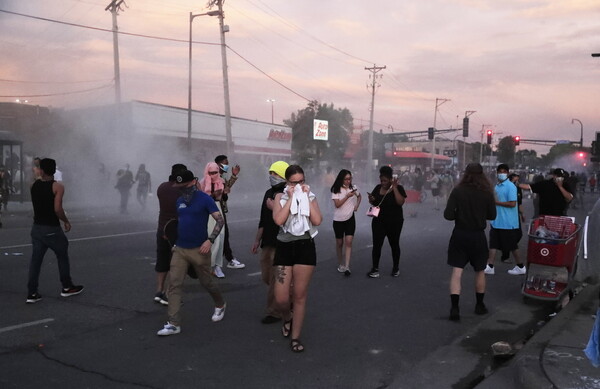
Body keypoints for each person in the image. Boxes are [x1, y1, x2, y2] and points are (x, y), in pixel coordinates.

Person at [156, 170, 226, 336]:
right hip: (180, 249)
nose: (182, 189)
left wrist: (210, 240)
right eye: (179, 186)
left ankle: (220, 304)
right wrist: (172, 239)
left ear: (193, 182)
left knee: (206, 282)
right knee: (174, 284)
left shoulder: (205, 199)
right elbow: (179, 222)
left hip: (199, 250)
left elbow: (220, 220)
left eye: (185, 185)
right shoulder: (179, 201)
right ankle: (174, 323)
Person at [273, 165, 322, 352]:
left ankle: (296, 337)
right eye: (294, 182)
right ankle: (287, 317)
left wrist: (306, 198)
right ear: (287, 183)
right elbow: (278, 220)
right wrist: (292, 197)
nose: (299, 185)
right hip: (284, 247)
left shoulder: (311, 197)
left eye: (301, 181)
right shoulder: (280, 197)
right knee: (281, 299)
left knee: (300, 295)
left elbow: (317, 220)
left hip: (305, 247)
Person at [26, 158, 84, 304]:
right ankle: (67, 286)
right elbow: (57, 209)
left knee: (36, 261)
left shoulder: (33, 185)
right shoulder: (57, 186)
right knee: (62, 254)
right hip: (51, 227)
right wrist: (66, 221)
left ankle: (32, 292)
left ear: (41, 170)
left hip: (37, 227)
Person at [444, 163, 496, 321]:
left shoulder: (458, 191)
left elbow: (448, 215)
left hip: (460, 234)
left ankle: (454, 307)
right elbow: (492, 216)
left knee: (457, 271)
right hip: (478, 236)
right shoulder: (486, 192)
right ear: (482, 175)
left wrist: (459, 213)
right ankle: (479, 305)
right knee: (480, 271)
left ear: (465, 174)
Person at [250, 160, 289, 324]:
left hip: (281, 242)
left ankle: (274, 311)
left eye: (275, 174)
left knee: (275, 278)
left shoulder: (288, 194)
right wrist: (257, 240)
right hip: (267, 242)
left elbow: (290, 218)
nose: (272, 177)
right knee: (267, 276)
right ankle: (286, 294)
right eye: (270, 174)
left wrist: (275, 208)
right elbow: (263, 220)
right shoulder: (268, 193)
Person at [153, 163, 187, 305]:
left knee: (162, 260)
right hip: (175, 231)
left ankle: (159, 291)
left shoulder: (162, 187)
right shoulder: (181, 191)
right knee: (176, 264)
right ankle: (168, 294)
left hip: (161, 229)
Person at [483, 164, 526, 276]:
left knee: (512, 246)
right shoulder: (497, 186)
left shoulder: (511, 187)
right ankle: (490, 266)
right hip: (497, 221)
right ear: (497, 173)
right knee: (493, 244)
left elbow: (512, 204)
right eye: (500, 171)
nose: (501, 173)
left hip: (508, 222)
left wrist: (497, 203)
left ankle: (521, 266)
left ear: (507, 173)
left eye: (504, 171)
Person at [366, 166, 407, 278]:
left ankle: (396, 268)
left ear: (390, 179)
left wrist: (394, 188)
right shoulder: (377, 187)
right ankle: (375, 268)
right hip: (378, 221)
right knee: (377, 245)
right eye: (381, 180)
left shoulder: (399, 188)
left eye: (385, 180)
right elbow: (375, 203)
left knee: (394, 244)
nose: (383, 183)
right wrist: (371, 200)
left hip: (395, 222)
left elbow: (400, 202)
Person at [214, 155, 245, 270]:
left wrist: (234, 176)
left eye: (227, 163)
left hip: (220, 209)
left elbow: (226, 187)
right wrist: (224, 192)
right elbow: (217, 192)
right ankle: (226, 260)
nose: (226, 165)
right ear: (217, 164)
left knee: (223, 235)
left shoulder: (221, 177)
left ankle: (225, 259)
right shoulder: (213, 177)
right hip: (216, 210)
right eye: (224, 163)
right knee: (221, 235)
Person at [330, 169, 361, 276]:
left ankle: (347, 266)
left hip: (350, 218)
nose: (349, 181)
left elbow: (359, 196)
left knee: (348, 242)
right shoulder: (336, 189)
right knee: (339, 243)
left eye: (350, 179)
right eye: (346, 179)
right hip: (338, 220)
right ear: (341, 179)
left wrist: (356, 206)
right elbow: (337, 204)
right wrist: (347, 196)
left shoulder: (353, 188)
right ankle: (340, 263)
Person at [198, 162, 227, 278]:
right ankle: (208, 265)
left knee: (221, 238)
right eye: (211, 173)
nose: (213, 175)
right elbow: (200, 196)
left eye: (215, 172)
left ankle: (217, 266)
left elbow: (221, 197)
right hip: (207, 210)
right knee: (211, 237)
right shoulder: (202, 182)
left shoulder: (221, 182)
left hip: (218, 209)